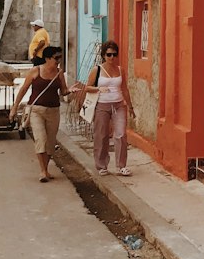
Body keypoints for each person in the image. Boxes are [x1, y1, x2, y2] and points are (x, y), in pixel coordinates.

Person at [10, 45, 71, 182]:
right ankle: (43, 171)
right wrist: (15, 107)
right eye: (56, 58)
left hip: (54, 111)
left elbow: (63, 91)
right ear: (47, 58)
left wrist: (70, 91)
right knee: (41, 139)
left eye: (60, 57)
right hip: (36, 110)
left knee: (50, 142)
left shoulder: (59, 73)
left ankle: (46, 168)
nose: (58, 60)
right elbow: (23, 90)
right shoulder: (35, 71)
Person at [80, 40, 135, 177]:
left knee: (121, 134)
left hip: (118, 105)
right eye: (109, 54)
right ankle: (101, 165)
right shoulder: (97, 70)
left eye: (114, 55)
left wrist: (130, 106)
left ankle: (121, 165)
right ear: (103, 55)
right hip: (102, 105)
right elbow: (87, 87)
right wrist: (99, 89)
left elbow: (125, 89)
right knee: (102, 135)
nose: (112, 58)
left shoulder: (120, 70)